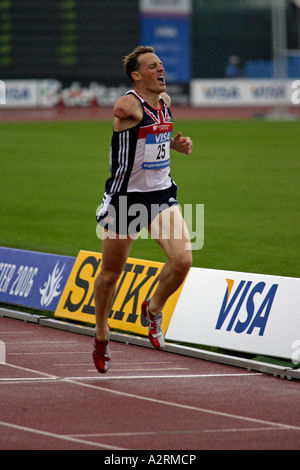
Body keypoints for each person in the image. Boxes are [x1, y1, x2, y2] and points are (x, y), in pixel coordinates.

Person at [93, 46, 193, 373]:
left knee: (182, 261)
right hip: (125, 199)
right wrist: (122, 107)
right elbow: (122, 110)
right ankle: (101, 333)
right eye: (152, 66)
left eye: (161, 64)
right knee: (111, 274)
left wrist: (176, 145)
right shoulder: (131, 105)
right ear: (137, 76)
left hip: (160, 195)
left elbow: (156, 139)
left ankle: (152, 309)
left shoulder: (164, 103)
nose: (160, 70)